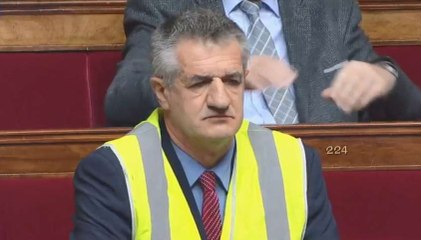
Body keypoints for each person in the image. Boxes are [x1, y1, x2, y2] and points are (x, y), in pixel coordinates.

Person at [71, 9, 338, 239]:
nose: (220, 100)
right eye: (199, 83)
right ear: (162, 92)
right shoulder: (114, 170)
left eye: (233, 81)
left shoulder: (296, 162)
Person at [105, 0, 421, 126]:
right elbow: (123, 101)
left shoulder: (328, 7)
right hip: (222, 178)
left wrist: (385, 78)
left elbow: (414, 119)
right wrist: (223, 74)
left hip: (328, 168)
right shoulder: (165, 6)